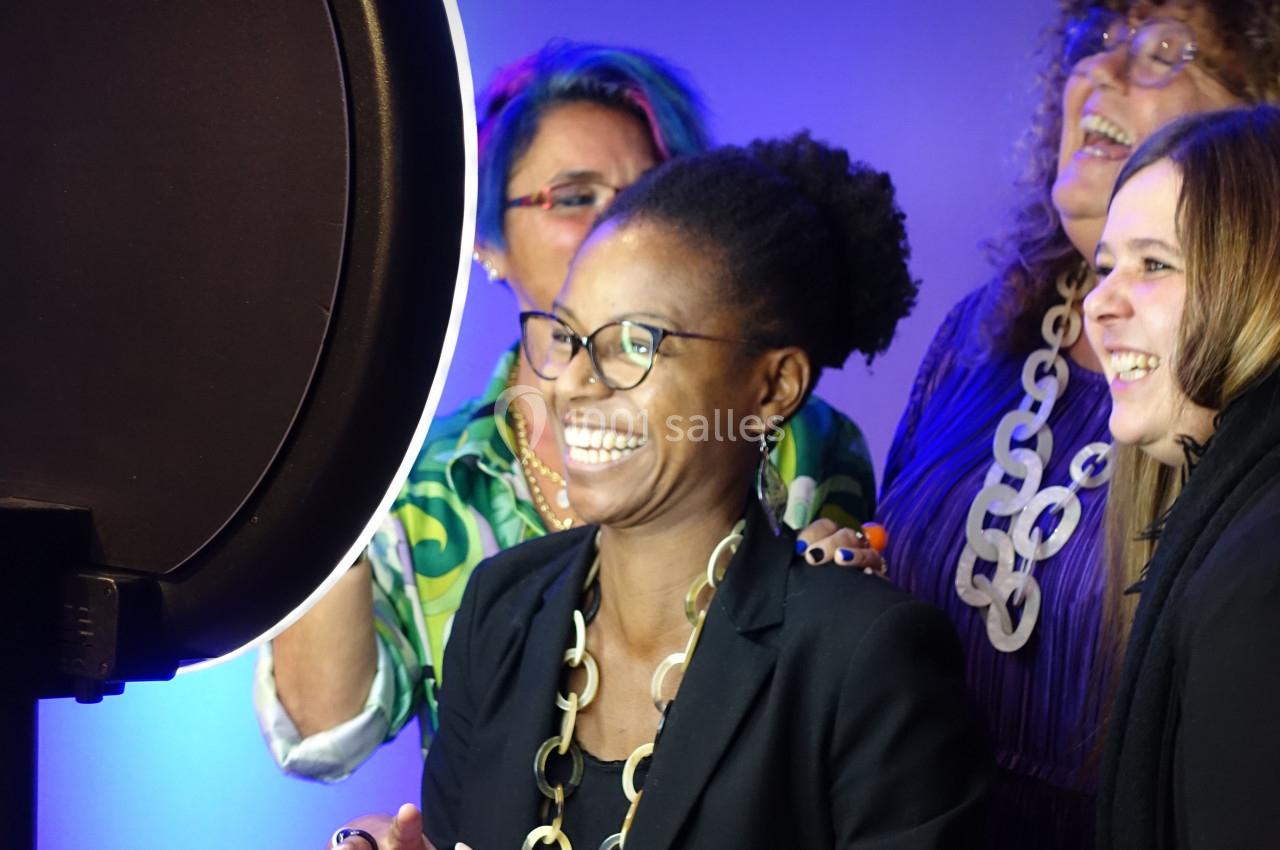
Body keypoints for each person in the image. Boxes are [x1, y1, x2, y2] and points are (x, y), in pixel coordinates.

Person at [255, 41, 883, 783]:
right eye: (575, 195)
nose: (620, 223)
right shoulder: (418, 479)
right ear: (487, 238)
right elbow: (325, 736)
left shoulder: (797, 439)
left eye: (653, 189)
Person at [343, 133, 989, 850]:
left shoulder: (864, 658)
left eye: (635, 344)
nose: (576, 384)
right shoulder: (502, 605)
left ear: (774, 386)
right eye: (567, 336)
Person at [877, 2, 1278, 845]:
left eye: (1169, 48)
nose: (1101, 70)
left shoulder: (1244, 414)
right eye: (1093, 40)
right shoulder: (978, 330)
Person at [1085, 104, 1280, 850]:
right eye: (1104, 267)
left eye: (1154, 264)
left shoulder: (1260, 574)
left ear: (1262, 281)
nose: (1099, 301)